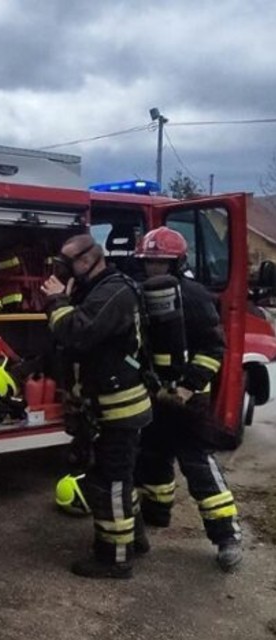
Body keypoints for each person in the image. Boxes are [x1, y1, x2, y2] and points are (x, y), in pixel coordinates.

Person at [132, 227, 243, 571]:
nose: (153, 270)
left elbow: (213, 349)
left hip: (187, 400)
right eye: (148, 263)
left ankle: (226, 537)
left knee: (198, 466)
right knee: (152, 458)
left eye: (160, 263)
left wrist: (187, 387)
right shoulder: (139, 294)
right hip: (154, 396)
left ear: (177, 262)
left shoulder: (194, 297)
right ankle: (157, 513)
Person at [42, 234, 152, 579]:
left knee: (111, 483)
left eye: (69, 261)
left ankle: (114, 557)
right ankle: (135, 538)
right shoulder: (94, 290)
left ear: (91, 258)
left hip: (118, 407)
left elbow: (77, 332)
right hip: (103, 406)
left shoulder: (114, 292)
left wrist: (57, 302)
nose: (63, 268)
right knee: (116, 478)